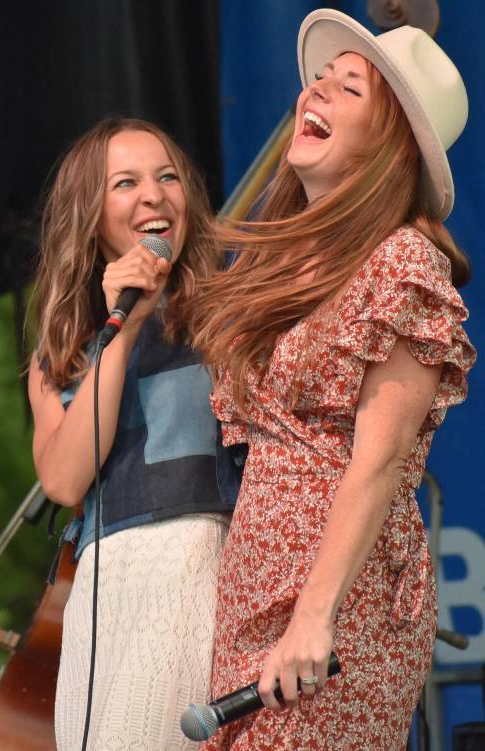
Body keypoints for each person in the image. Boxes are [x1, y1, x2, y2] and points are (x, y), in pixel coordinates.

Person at [188, 10, 475, 749]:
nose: (313, 92)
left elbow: (377, 462)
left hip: (337, 599)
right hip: (257, 582)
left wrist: (315, 612)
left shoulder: (403, 263)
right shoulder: (292, 259)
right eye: (318, 78)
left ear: (387, 145)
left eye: (347, 88)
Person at [28, 117, 242, 750]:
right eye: (126, 182)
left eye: (167, 176)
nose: (153, 195)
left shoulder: (232, 314)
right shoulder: (62, 351)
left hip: (202, 565)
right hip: (109, 587)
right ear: (91, 218)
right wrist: (122, 329)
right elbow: (65, 478)